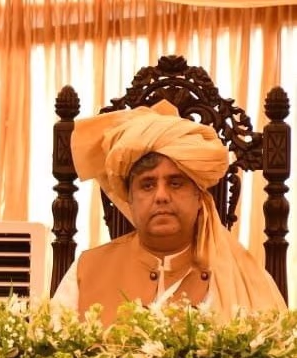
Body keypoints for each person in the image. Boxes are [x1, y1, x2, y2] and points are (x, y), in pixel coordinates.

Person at [52, 100, 287, 324]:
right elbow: (50, 346)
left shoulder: (242, 279)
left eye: (176, 183)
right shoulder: (87, 270)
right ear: (129, 199)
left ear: (199, 197)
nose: (161, 196)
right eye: (147, 185)